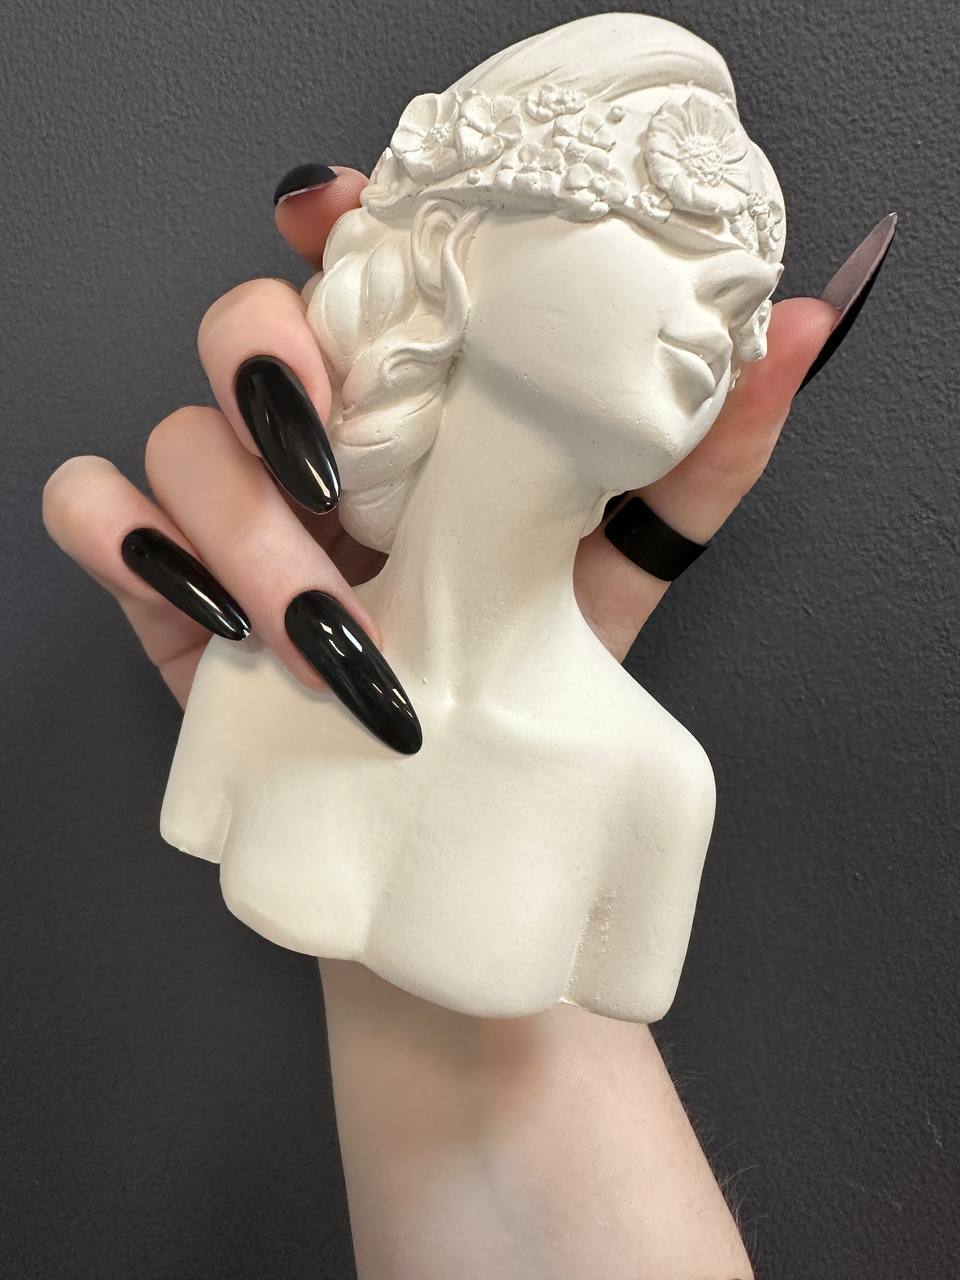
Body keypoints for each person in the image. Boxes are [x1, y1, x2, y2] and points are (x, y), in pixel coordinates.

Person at [42, 121, 892, 1279]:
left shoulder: (654, 786)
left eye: (745, 287)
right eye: (668, 221)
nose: (732, 309)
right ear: (454, 243)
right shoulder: (256, 677)